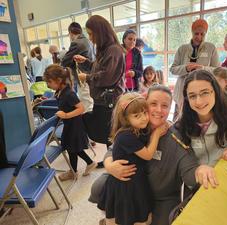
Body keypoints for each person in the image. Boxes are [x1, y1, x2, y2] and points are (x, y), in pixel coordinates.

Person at [89, 85, 200, 225]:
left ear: (171, 108)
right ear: (144, 103)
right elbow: (114, 148)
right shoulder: (135, 128)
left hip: (161, 195)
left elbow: (188, 164)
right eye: (153, 104)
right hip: (132, 186)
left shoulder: (175, 136)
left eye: (165, 106)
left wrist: (199, 173)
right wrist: (109, 165)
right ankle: (113, 218)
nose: (159, 110)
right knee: (99, 187)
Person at [98, 92, 169, 225]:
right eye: (137, 115)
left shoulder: (139, 128)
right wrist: (157, 134)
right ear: (126, 118)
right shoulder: (126, 136)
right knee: (125, 216)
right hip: (126, 184)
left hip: (136, 180)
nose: (144, 118)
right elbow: (148, 155)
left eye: (145, 113)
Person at [73, 15, 125, 168]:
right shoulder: (105, 49)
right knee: (108, 134)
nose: (89, 37)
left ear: (100, 32)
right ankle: (112, 159)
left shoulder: (114, 50)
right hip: (102, 100)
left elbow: (107, 77)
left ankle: (115, 161)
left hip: (109, 101)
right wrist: (87, 63)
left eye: (90, 33)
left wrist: (87, 77)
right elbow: (101, 69)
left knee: (109, 134)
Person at [43, 64, 97, 181]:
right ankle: (85, 165)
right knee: (73, 148)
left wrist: (66, 115)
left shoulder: (68, 93)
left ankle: (74, 171)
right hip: (70, 125)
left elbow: (81, 108)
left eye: (49, 82)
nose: (47, 85)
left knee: (73, 148)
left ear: (58, 80)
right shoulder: (60, 91)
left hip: (74, 126)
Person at [170, 18, 219, 120]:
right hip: (182, 92)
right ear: (192, 33)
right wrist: (185, 68)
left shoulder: (211, 48)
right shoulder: (182, 48)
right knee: (178, 120)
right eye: (196, 33)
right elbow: (173, 69)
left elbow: (217, 70)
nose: (199, 37)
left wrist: (203, 68)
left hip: (201, 91)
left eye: (202, 34)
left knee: (198, 119)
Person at [61, 22, 93, 93]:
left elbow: (65, 62)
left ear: (70, 33)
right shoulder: (89, 41)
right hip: (91, 76)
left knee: (85, 102)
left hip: (82, 78)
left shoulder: (76, 43)